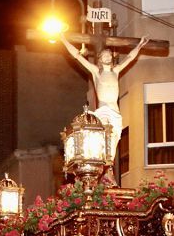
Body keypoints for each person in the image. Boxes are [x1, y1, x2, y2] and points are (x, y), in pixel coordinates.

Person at [59, 33, 149, 165]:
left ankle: (108, 167)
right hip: (103, 111)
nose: (107, 57)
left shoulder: (116, 71)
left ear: (112, 58)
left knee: (114, 140)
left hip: (115, 112)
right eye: (104, 55)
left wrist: (140, 45)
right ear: (100, 59)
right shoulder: (96, 71)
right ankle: (98, 161)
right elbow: (77, 56)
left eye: (109, 55)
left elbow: (130, 57)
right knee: (102, 138)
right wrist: (63, 39)